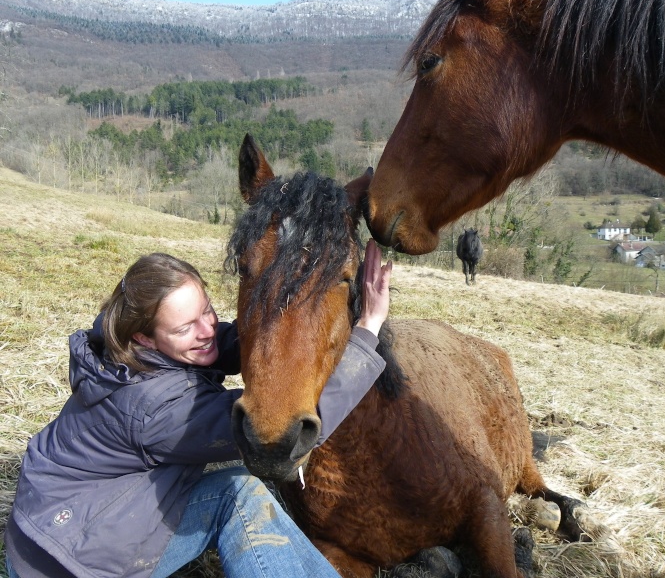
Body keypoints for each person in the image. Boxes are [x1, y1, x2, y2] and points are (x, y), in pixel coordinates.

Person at [4, 240, 392, 578]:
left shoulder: (127, 344)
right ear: (146, 337)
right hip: (65, 563)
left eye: (206, 310)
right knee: (239, 493)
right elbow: (277, 429)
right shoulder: (154, 409)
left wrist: (291, 319)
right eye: (184, 328)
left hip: (61, 525)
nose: (207, 329)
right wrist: (369, 328)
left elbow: (224, 341)